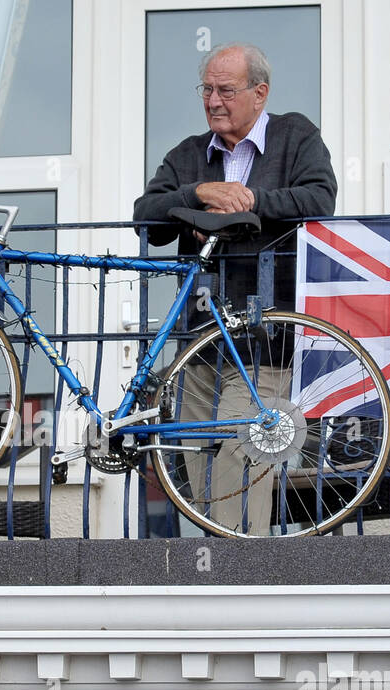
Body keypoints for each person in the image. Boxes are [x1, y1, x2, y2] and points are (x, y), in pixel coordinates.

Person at [134, 43, 339, 535]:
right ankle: (217, 567)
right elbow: (146, 215)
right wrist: (199, 196)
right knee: (198, 457)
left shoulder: (296, 135)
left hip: (267, 335)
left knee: (239, 447)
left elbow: (320, 198)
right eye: (207, 89)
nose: (213, 100)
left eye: (226, 89)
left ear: (259, 92)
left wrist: (247, 205)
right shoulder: (188, 155)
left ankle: (242, 569)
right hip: (201, 335)